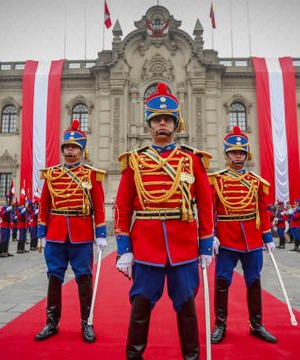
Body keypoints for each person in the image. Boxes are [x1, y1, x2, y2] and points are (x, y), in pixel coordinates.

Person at [114, 83, 214, 359]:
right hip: (146, 245)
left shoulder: (192, 160)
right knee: (141, 304)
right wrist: (124, 248)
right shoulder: (134, 161)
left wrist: (205, 245)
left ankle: (191, 356)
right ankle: (134, 356)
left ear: (175, 124)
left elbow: (205, 206)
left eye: (167, 119)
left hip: (183, 245)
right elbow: (122, 207)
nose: (162, 123)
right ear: (149, 126)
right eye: (157, 119)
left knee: (186, 303)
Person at [35, 119, 107, 344]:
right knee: (54, 278)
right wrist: (42, 233)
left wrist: (101, 234)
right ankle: (51, 321)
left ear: (82, 151)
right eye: (67, 147)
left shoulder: (91, 176)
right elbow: (44, 205)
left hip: (81, 235)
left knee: (84, 279)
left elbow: (99, 206)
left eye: (74, 147)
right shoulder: (51, 174)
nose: (70, 150)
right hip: (56, 235)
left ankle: (87, 322)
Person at [208, 125, 277, 345]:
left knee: (254, 281)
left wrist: (267, 237)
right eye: (233, 152)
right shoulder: (216, 180)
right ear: (226, 155)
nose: (238, 156)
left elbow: (262, 210)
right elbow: (209, 210)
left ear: (247, 154)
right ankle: (220, 325)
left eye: (241, 152)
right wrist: (211, 235)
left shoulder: (256, 182)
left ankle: (256, 325)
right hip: (226, 240)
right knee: (222, 282)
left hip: (252, 239)